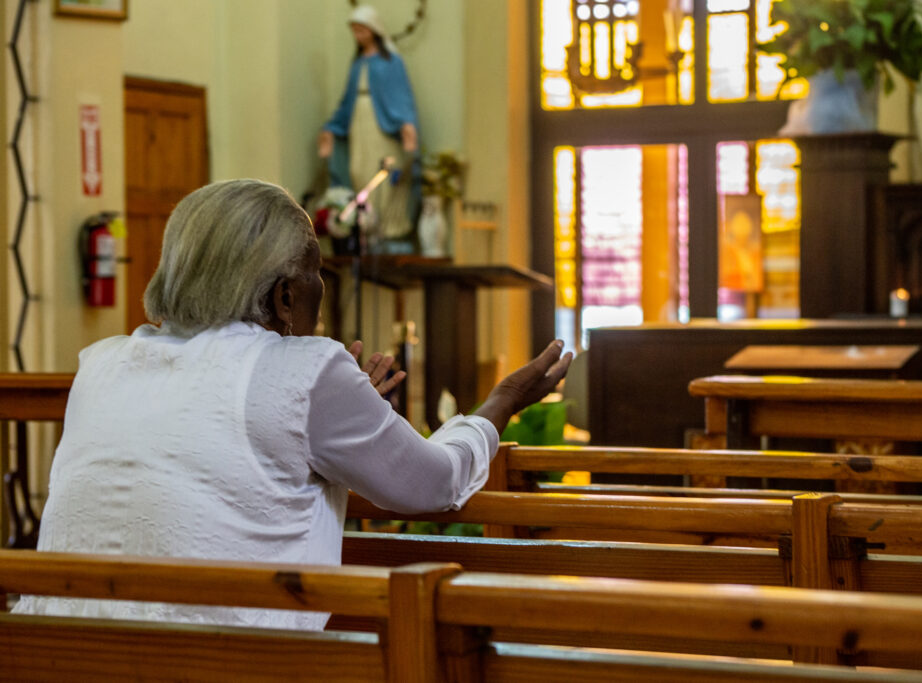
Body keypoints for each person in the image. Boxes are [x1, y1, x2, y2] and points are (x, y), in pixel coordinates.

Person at [14, 179, 571, 630]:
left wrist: (346, 411)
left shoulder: (103, 363)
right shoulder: (306, 370)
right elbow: (433, 484)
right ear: (285, 296)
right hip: (227, 666)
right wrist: (502, 401)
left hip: (59, 652)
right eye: (317, 274)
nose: (320, 291)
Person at [318, 6, 419, 246]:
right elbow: (346, 101)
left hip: (382, 126)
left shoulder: (390, 62)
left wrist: (405, 124)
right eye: (354, 30)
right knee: (358, 172)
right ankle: (364, 226)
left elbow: (400, 96)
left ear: (373, 30)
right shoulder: (357, 64)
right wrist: (331, 128)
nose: (358, 34)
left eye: (361, 29)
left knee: (383, 174)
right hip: (359, 124)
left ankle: (385, 229)